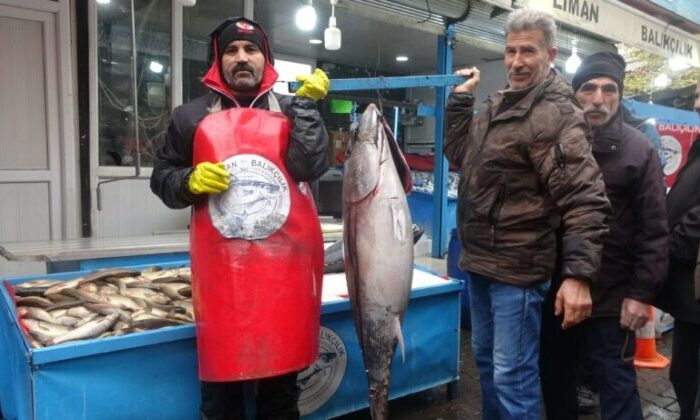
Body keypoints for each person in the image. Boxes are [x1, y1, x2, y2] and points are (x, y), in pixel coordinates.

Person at [150, 17, 330, 419]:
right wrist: (189, 180)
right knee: (219, 398)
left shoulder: (288, 107)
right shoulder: (189, 117)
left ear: (266, 59)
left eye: (251, 50)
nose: (242, 58)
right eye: (231, 50)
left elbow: (310, 165)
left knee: (280, 396)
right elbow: (161, 179)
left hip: (284, 274)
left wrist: (307, 106)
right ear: (218, 60)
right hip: (220, 279)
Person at [444, 8, 610, 419]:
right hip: (480, 263)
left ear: (550, 54)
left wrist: (577, 276)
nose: (517, 61)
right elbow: (462, 155)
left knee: (513, 376)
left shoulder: (555, 113)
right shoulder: (501, 102)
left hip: (517, 272)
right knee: (487, 364)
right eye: (510, 51)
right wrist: (461, 101)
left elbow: (585, 197)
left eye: (528, 51)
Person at [540, 51, 669, 420]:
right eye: (589, 88)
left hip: (612, 296)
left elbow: (654, 229)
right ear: (576, 93)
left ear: (619, 93)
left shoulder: (638, 149)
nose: (598, 99)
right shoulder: (555, 143)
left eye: (609, 89)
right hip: (557, 291)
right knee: (556, 378)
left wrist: (640, 294)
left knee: (615, 384)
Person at [656, 79, 700, 420]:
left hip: (695, 286)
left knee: (691, 377)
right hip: (689, 294)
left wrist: (673, 245)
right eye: (697, 96)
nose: (697, 105)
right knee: (683, 374)